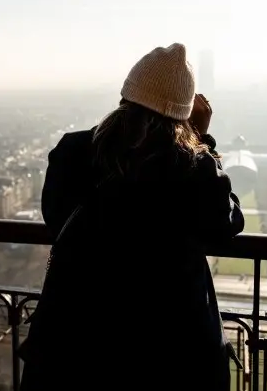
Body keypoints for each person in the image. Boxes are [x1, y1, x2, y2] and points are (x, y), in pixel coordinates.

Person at [19, 43, 245, 390]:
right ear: (182, 113)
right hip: (167, 355)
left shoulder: (73, 153)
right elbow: (224, 225)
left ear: (127, 94)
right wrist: (202, 141)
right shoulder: (192, 169)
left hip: (75, 347)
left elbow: (56, 218)